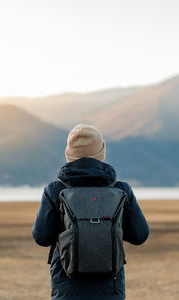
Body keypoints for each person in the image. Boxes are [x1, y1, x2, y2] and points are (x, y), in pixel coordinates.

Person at [32, 124, 149, 300]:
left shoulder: (55, 189)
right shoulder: (121, 189)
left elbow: (41, 237)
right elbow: (139, 235)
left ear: (69, 154)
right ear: (101, 152)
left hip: (67, 287)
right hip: (111, 288)